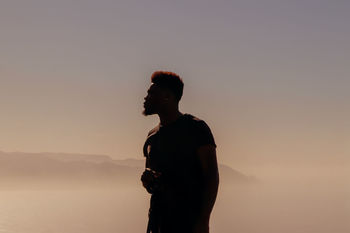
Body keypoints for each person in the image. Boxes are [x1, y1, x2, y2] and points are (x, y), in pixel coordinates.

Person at [141, 71, 219, 233]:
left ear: (167, 97)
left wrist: (204, 221)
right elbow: (152, 184)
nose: (145, 97)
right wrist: (147, 180)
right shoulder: (151, 136)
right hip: (158, 223)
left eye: (151, 93)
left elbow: (212, 177)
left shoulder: (196, 128)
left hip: (188, 223)